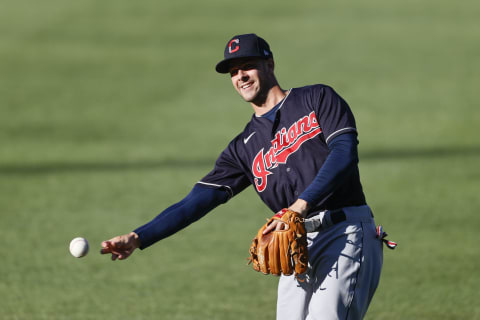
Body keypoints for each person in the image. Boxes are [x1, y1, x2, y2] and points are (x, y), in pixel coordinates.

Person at [101, 33, 384, 320]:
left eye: (247, 66)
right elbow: (196, 202)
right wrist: (139, 237)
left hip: (344, 233)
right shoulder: (242, 148)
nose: (240, 76)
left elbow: (344, 153)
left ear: (269, 64)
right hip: (295, 245)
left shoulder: (317, 98)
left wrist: (301, 204)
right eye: (233, 72)